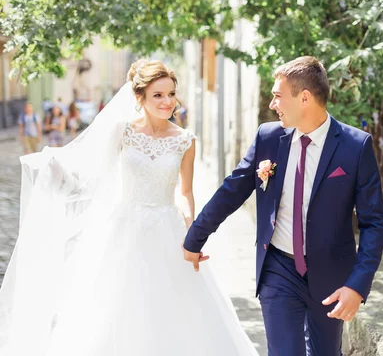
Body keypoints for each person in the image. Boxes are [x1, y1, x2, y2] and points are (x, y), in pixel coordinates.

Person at [0, 60, 258, 356]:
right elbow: (94, 177)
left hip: (167, 231)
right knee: (114, 309)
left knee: (172, 310)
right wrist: (56, 168)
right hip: (124, 229)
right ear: (140, 98)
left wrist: (192, 235)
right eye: (158, 95)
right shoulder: (122, 132)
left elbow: (185, 193)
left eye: (171, 94)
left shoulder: (185, 141)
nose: (167, 102)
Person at [183, 56, 383, 355]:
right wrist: (194, 238)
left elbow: (373, 222)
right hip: (278, 268)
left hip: (331, 276)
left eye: (278, 96)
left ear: (304, 98)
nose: (272, 104)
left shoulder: (355, 146)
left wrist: (357, 285)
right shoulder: (268, 137)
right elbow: (233, 189)